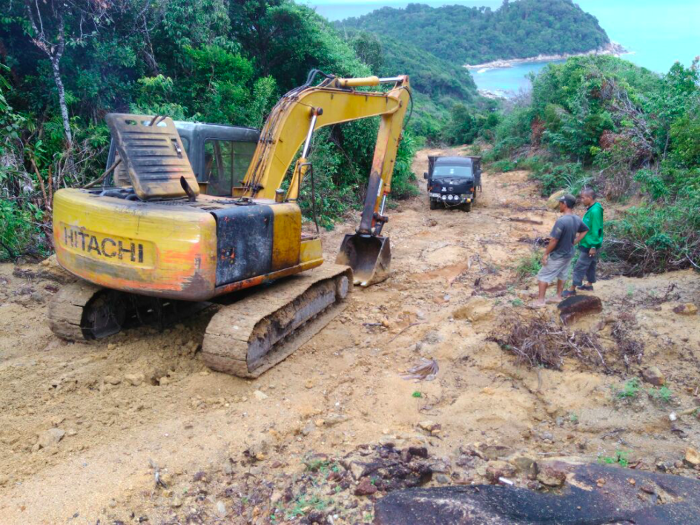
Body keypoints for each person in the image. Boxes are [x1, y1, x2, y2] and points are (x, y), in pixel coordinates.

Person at [530, 194, 589, 308]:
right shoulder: (576, 218)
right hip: (569, 253)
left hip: (559, 255)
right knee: (562, 274)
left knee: (543, 275)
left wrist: (546, 254)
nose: (559, 205)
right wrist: (575, 242)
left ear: (565, 204)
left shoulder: (561, 221)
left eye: (560, 203)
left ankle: (540, 301)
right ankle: (558, 296)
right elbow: (585, 230)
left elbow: (554, 240)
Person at [564, 188, 603, 296]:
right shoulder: (592, 208)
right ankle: (589, 284)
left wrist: (593, 246)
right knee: (591, 264)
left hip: (589, 244)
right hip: (588, 242)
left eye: (583, 198)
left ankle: (572, 289)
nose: (581, 200)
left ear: (589, 198)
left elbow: (596, 229)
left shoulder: (595, 211)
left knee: (579, 266)